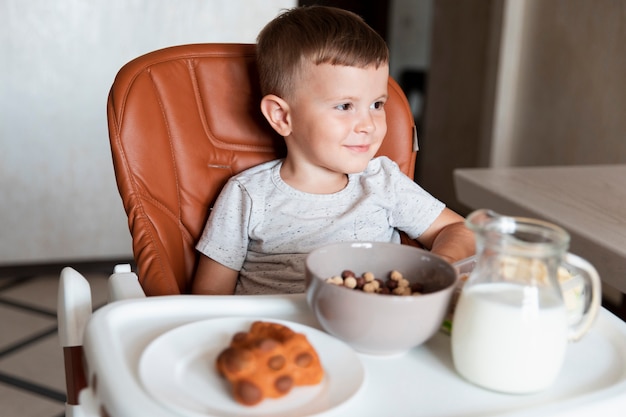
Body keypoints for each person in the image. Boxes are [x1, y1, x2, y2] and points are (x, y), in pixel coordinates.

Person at [192, 5, 475, 295]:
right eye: (344, 106)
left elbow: (458, 229)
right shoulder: (248, 194)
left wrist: (441, 263)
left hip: (372, 327)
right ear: (282, 116)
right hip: (278, 331)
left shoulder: (383, 182)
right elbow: (208, 299)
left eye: (377, 104)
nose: (368, 125)